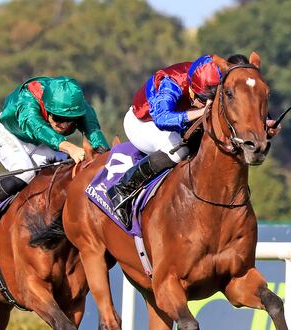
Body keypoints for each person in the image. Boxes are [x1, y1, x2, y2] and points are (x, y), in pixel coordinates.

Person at [108, 54, 278, 226]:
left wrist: (265, 122)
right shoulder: (171, 83)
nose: (205, 103)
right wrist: (201, 112)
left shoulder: (219, 76)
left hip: (177, 124)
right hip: (144, 123)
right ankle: (123, 188)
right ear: (191, 89)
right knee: (179, 150)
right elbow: (162, 119)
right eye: (201, 99)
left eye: (210, 99)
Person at [0, 76, 110, 244]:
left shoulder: (79, 106)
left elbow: (94, 133)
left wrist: (106, 159)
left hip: (40, 141)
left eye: (70, 120)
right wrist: (70, 148)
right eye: (58, 118)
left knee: (65, 172)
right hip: (9, 134)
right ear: (47, 107)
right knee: (25, 172)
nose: (64, 125)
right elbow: (39, 129)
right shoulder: (27, 101)